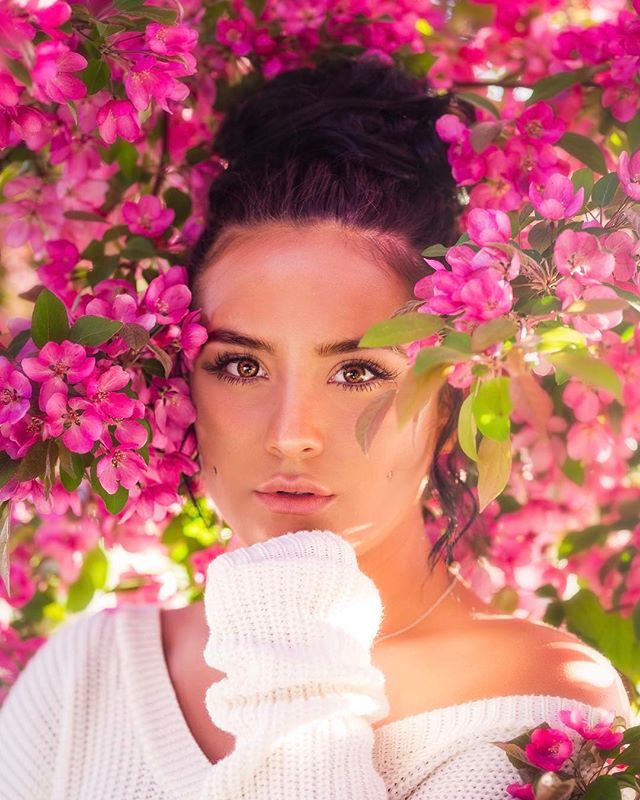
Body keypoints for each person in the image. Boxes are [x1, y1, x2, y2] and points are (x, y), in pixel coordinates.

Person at [0, 55, 631, 800]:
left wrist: (295, 626)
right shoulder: (87, 675)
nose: (290, 434)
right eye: (239, 365)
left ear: (455, 387)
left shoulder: (544, 715)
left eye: (358, 372)